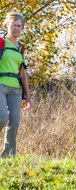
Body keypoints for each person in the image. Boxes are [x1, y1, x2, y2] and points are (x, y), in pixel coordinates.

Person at [0, 12, 31, 157]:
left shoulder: (21, 48)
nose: (17, 28)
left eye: (19, 26)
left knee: (14, 122)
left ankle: (8, 156)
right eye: (14, 25)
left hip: (15, 89)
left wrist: (28, 97)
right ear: (7, 25)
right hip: (0, 85)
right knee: (2, 118)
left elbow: (23, 74)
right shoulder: (1, 43)